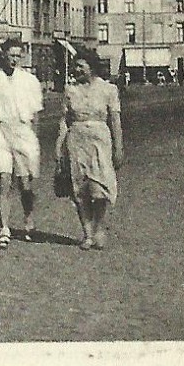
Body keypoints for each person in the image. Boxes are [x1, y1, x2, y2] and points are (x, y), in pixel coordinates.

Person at [56, 57, 124, 250]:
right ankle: (87, 233)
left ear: (91, 68)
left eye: (80, 66)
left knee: (99, 188)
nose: (76, 69)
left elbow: (115, 120)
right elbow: (64, 120)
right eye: (76, 66)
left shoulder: (108, 89)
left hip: (100, 142)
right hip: (76, 142)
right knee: (79, 189)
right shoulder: (70, 90)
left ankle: (99, 226)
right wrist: (59, 146)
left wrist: (119, 147)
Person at [0, 38, 44, 248]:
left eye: (18, 55)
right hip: (0, 130)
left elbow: (36, 114)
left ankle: (28, 219)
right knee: (3, 181)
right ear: (3, 55)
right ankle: (4, 228)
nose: (15, 59)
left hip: (23, 131)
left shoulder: (30, 81)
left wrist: (33, 141)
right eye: (11, 55)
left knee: (25, 185)